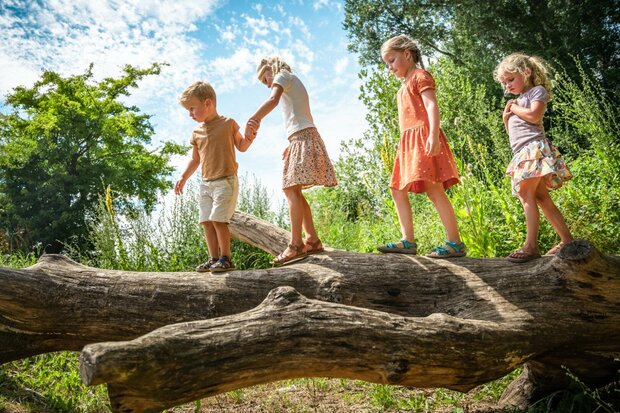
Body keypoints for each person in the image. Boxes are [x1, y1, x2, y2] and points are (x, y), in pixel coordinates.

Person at [377, 34, 465, 258]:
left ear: (407, 54)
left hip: (423, 137)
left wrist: (433, 135)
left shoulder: (420, 76)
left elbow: (432, 106)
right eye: (387, 64)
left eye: (392, 61)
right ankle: (408, 241)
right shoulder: (402, 87)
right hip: (407, 142)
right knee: (397, 189)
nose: (390, 68)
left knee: (434, 189)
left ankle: (455, 242)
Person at [246, 57, 337, 266]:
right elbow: (297, 114)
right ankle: (312, 240)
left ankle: (296, 245)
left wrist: (254, 119)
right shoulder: (291, 80)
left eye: (265, 79)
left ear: (270, 69)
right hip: (300, 136)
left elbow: (273, 100)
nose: (267, 84)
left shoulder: (282, 75)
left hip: (303, 135)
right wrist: (292, 143)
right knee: (292, 189)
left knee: (290, 188)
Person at [494, 53, 573, 263]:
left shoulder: (537, 92)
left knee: (524, 193)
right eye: (504, 83)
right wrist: (506, 117)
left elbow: (534, 116)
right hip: (522, 152)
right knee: (540, 197)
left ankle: (530, 246)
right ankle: (568, 241)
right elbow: (514, 133)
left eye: (510, 79)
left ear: (526, 72)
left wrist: (515, 109)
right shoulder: (518, 101)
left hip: (534, 149)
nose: (507, 86)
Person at [175, 81, 255, 272]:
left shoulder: (228, 124)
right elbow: (195, 160)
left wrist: (250, 136)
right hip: (206, 184)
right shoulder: (196, 133)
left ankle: (226, 258)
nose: (190, 114)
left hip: (226, 181)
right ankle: (213, 258)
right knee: (207, 221)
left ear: (208, 103)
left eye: (192, 109)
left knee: (219, 220)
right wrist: (184, 177)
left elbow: (242, 146)